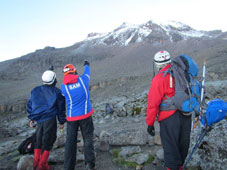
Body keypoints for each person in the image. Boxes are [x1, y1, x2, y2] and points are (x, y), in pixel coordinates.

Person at [146, 51, 192, 170]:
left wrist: (150, 123)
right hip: (186, 113)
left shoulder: (159, 78)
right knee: (182, 147)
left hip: (169, 118)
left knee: (171, 149)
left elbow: (153, 103)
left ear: (157, 64)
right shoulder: (182, 73)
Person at [27, 69, 66, 170]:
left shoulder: (35, 90)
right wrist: (62, 121)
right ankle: (42, 165)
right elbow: (61, 108)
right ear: (54, 79)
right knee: (49, 140)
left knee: (38, 139)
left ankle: (36, 163)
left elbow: (30, 104)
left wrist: (31, 118)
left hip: (38, 120)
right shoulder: (57, 92)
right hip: (50, 119)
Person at [61, 61, 95, 170]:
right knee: (88, 138)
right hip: (85, 115)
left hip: (71, 118)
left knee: (70, 142)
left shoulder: (63, 87)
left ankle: (68, 167)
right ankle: (89, 164)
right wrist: (86, 65)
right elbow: (87, 72)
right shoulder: (83, 80)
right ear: (74, 71)